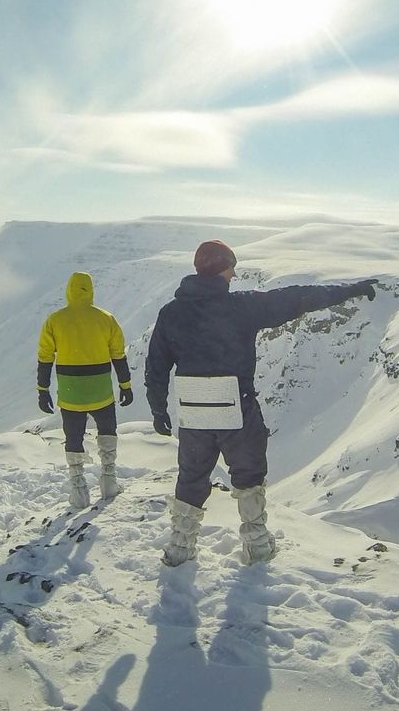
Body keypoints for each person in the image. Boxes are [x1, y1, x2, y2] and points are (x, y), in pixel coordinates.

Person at [145, 239, 378, 566]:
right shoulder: (242, 307)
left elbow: (156, 366)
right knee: (249, 474)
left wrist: (158, 408)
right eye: (232, 267)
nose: (234, 274)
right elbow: (297, 298)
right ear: (221, 268)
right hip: (236, 409)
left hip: (194, 411)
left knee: (191, 477)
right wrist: (349, 290)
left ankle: (180, 548)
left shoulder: (171, 313)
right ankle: (257, 547)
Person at [37, 271, 133, 508]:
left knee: (73, 437)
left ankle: (79, 490)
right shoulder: (106, 319)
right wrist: (125, 385)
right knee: (107, 432)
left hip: (71, 392)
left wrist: (43, 389)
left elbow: (45, 356)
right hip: (101, 390)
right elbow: (118, 355)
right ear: (90, 290)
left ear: (69, 290)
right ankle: (108, 481)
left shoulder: (55, 320)